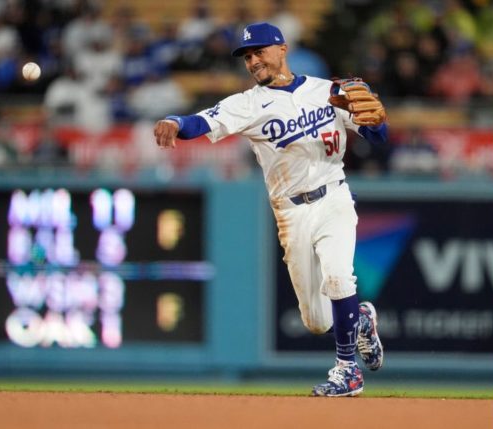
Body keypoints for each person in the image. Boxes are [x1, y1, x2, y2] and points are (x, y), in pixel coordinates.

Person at [153, 22, 387, 397]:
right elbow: (202, 121)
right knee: (315, 319)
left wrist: (377, 122)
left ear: (282, 48)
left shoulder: (327, 91)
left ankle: (347, 371)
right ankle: (360, 321)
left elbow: (375, 134)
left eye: (259, 51)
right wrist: (174, 121)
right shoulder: (247, 104)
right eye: (247, 56)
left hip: (334, 197)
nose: (253, 61)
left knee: (340, 278)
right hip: (290, 212)